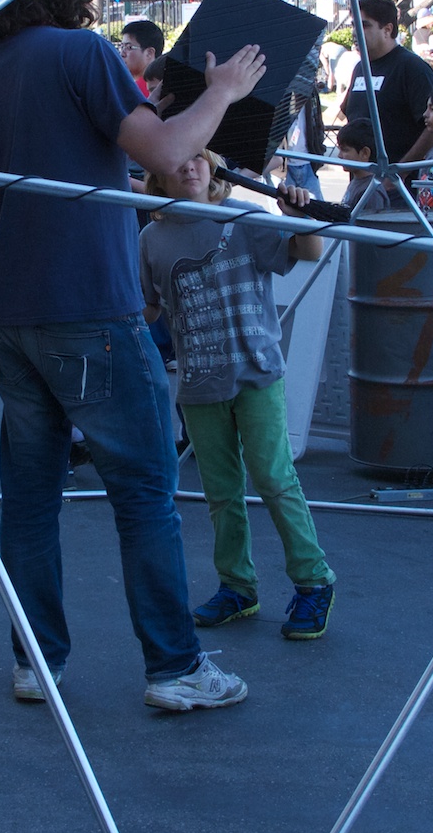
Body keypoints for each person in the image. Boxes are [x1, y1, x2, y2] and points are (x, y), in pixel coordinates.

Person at [0, 0, 264, 713]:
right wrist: (220, 91)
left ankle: (37, 660)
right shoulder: (79, 52)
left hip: (13, 309)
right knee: (146, 490)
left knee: (30, 496)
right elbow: (163, 149)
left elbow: (74, 172)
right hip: (90, 303)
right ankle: (174, 665)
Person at [140, 150, 335, 640]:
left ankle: (314, 582)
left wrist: (298, 217)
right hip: (199, 384)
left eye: (198, 159)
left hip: (256, 374)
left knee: (274, 478)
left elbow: (309, 252)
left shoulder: (246, 218)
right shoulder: (151, 239)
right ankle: (237, 586)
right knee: (221, 492)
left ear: (216, 171)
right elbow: (146, 309)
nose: (188, 167)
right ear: (157, 175)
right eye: (176, 160)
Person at [339, 0, 433, 165]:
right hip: (363, 183)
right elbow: (349, 114)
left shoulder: (412, 68)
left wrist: (402, 170)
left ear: (387, 29)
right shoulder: (361, 68)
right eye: (354, 25)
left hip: (398, 184)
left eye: (364, 25)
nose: (356, 32)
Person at [333, 121, 391, 217]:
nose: (339, 155)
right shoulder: (358, 182)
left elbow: (371, 228)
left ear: (365, 153)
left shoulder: (371, 192)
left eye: (345, 150)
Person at [118, 19, 165, 99]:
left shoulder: (134, 92)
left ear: (149, 53)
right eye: (121, 47)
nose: (122, 54)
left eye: (129, 47)